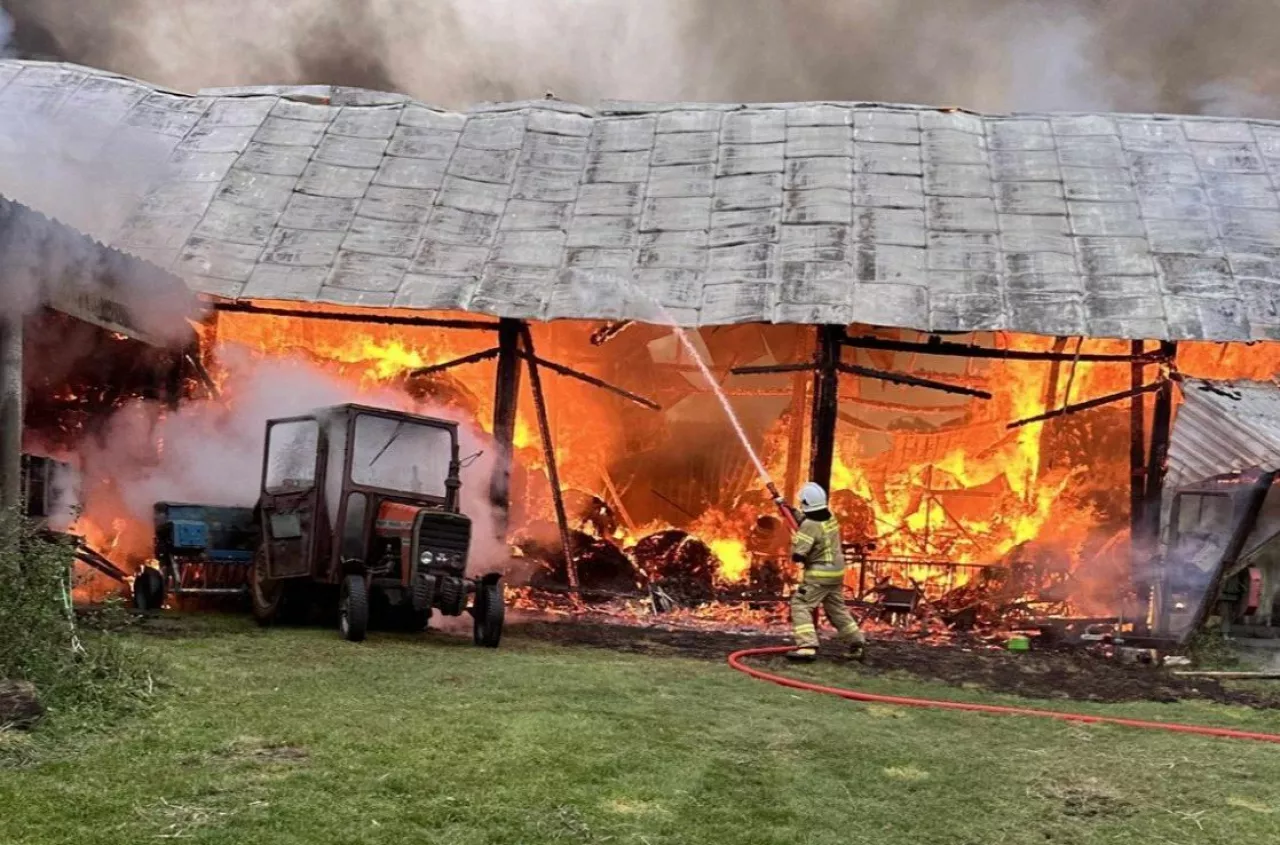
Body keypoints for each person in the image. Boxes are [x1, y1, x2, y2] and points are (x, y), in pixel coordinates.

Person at [786, 482, 866, 662]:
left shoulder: (808, 526)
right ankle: (857, 642)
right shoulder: (830, 517)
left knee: (800, 604)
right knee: (836, 608)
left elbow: (799, 554)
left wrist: (795, 547)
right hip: (836, 573)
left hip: (819, 575)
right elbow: (812, 524)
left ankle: (807, 646)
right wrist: (791, 512)